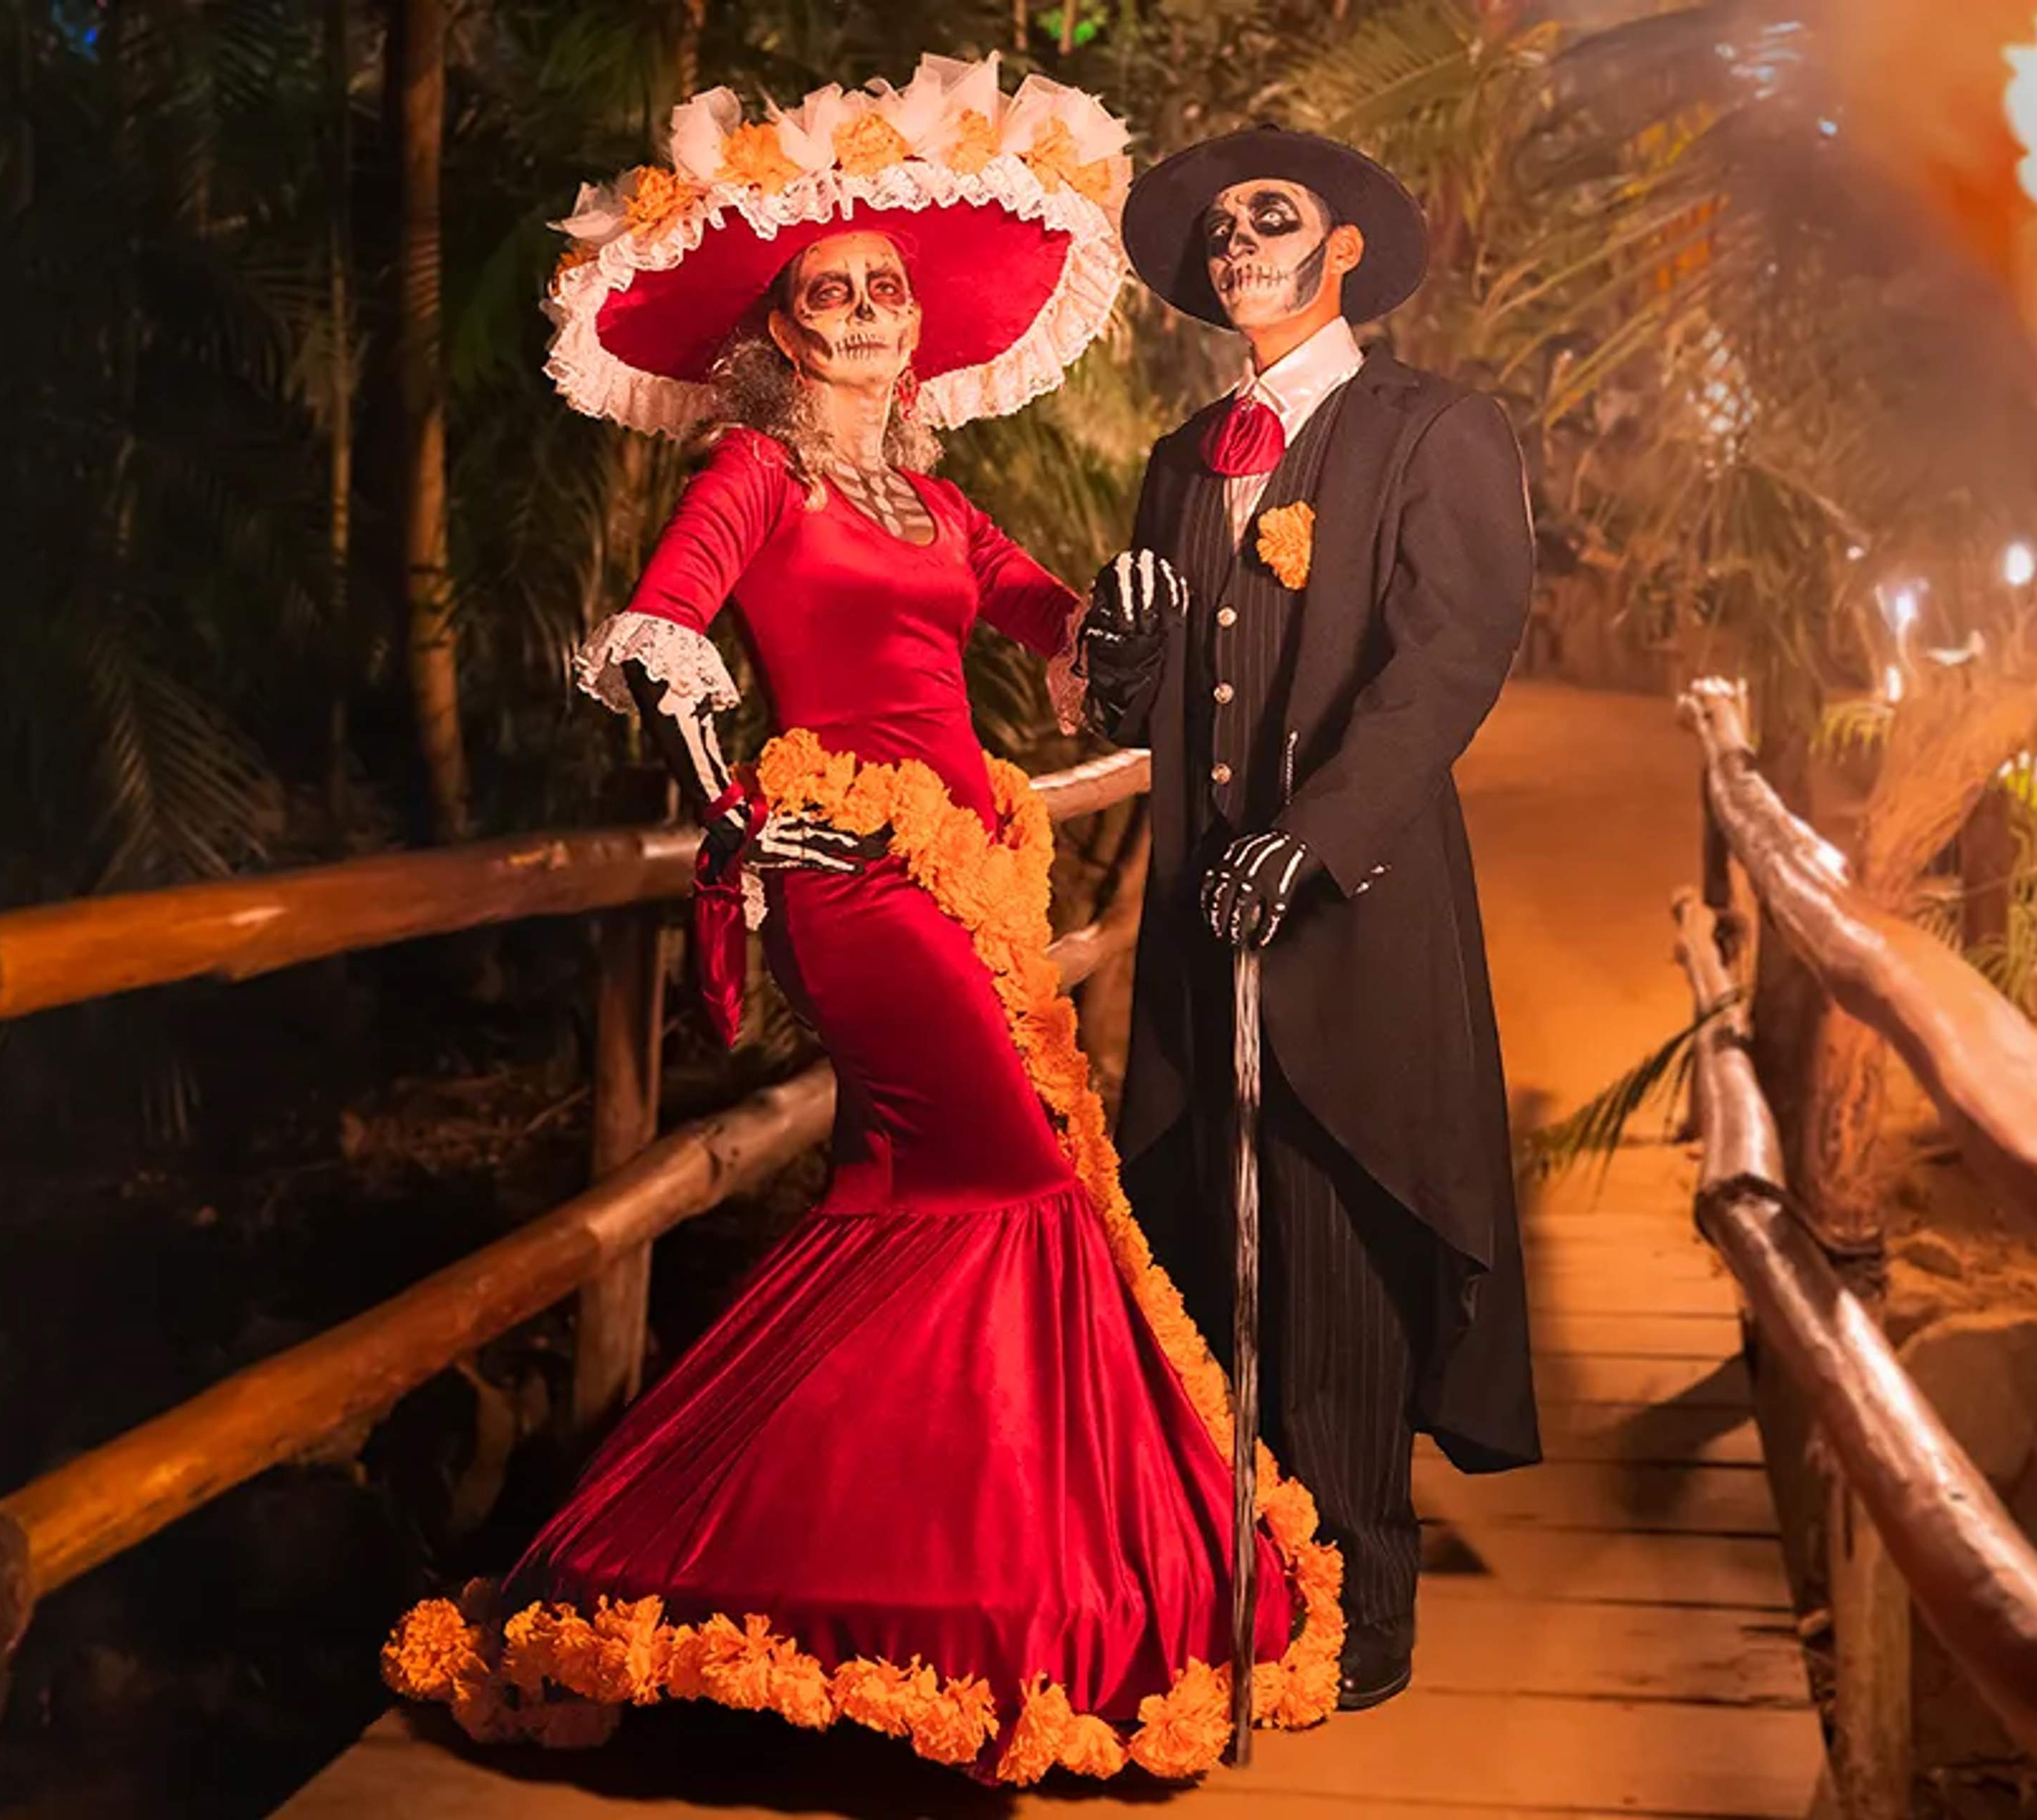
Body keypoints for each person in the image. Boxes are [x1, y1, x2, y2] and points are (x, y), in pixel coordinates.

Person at [378, 60, 1343, 1785]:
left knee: (924, 1197)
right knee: (1009, 1179)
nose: (869, 312)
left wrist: (1123, 612)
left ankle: (912, 1591)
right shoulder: (755, 471)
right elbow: (662, 632)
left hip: (972, 864)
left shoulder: (933, 498)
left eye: (887, 289)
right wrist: (739, 806)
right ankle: (944, 1598)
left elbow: (1048, 615)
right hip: (851, 869)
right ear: (782, 327)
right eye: (831, 292)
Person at [1083, 125, 1544, 1713]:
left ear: (1343, 250)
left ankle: (1360, 1611)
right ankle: (1235, 1586)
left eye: (1268, 220)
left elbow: (1450, 662)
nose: (1235, 245)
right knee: (1213, 1243)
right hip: (1201, 922)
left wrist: (1317, 838)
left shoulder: (1436, 432)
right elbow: (1150, 692)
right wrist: (1118, 656)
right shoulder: (1182, 457)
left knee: (1342, 1245)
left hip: (1355, 915)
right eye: (1218, 229)